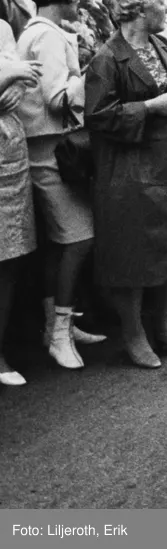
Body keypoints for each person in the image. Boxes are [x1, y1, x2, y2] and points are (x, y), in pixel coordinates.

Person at [86, 0, 167, 369]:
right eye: (160, 2)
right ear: (137, 8)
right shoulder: (107, 59)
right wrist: (151, 108)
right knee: (132, 253)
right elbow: (99, 117)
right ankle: (134, 335)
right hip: (130, 172)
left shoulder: (162, 43)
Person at [15, 0, 104, 369]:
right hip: (50, 149)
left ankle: (58, 323)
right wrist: (94, 71)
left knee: (61, 243)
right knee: (78, 238)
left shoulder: (44, 31)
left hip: (48, 148)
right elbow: (57, 97)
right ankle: (59, 333)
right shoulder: (48, 35)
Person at [0, 26, 40, 385]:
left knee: (9, 256)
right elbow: (18, 69)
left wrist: (14, 82)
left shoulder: (1, 28)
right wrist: (11, 74)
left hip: (7, 151)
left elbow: (28, 77)